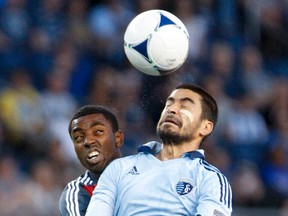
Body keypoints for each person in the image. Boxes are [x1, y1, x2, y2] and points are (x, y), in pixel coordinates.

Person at [86, 83, 233, 216]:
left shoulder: (210, 179)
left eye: (185, 106)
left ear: (205, 127)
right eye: (169, 104)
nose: (172, 109)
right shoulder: (119, 168)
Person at [59, 105, 124, 215]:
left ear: (118, 138)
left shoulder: (144, 173)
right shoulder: (77, 193)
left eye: (98, 132)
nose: (88, 141)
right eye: (79, 137)